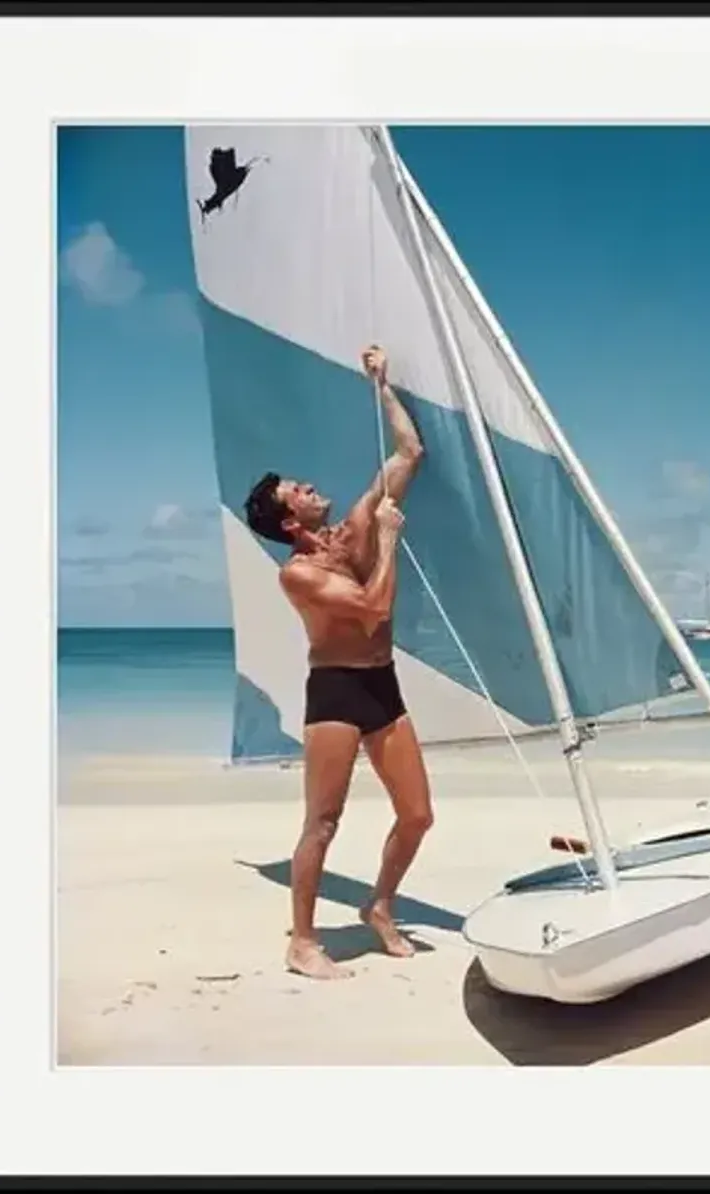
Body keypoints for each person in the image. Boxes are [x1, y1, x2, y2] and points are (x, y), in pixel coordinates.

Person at [243, 344, 429, 979]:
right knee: (322, 822)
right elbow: (373, 609)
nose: (310, 485)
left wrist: (383, 385)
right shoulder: (299, 575)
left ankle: (378, 907)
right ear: (289, 520)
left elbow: (408, 454)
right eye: (297, 489)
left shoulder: (352, 531)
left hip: (382, 685)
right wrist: (392, 540)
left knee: (418, 814)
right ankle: (302, 941)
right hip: (335, 696)